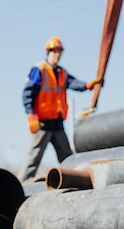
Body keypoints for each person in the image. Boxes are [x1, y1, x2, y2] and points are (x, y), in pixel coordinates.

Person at [17, 36, 98, 182]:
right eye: (54, 51)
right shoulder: (39, 70)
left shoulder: (62, 73)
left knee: (67, 156)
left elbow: (73, 83)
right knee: (34, 157)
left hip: (57, 123)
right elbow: (27, 94)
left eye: (59, 52)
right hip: (42, 123)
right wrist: (31, 116)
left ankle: (74, 180)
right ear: (48, 52)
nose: (57, 55)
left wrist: (87, 85)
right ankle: (21, 184)